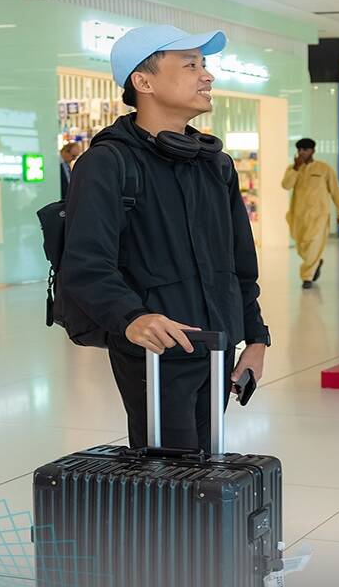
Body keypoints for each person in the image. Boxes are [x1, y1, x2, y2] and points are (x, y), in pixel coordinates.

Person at [60, 25, 271, 452]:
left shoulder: (215, 164)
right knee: (168, 473)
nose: (207, 76)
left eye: (204, 65)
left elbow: (239, 264)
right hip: (155, 352)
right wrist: (132, 318)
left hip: (218, 348)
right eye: (191, 65)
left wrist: (255, 337)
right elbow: (85, 265)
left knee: (207, 465)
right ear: (144, 82)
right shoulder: (108, 163)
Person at [281, 138, 339, 289]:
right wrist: (295, 168)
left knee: (313, 246)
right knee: (302, 247)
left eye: (305, 149)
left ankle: (307, 277)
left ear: (313, 151)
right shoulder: (293, 168)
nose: (301, 152)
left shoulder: (324, 169)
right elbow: (286, 185)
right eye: (299, 150)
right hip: (298, 216)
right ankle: (316, 262)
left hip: (319, 217)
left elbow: (336, 191)